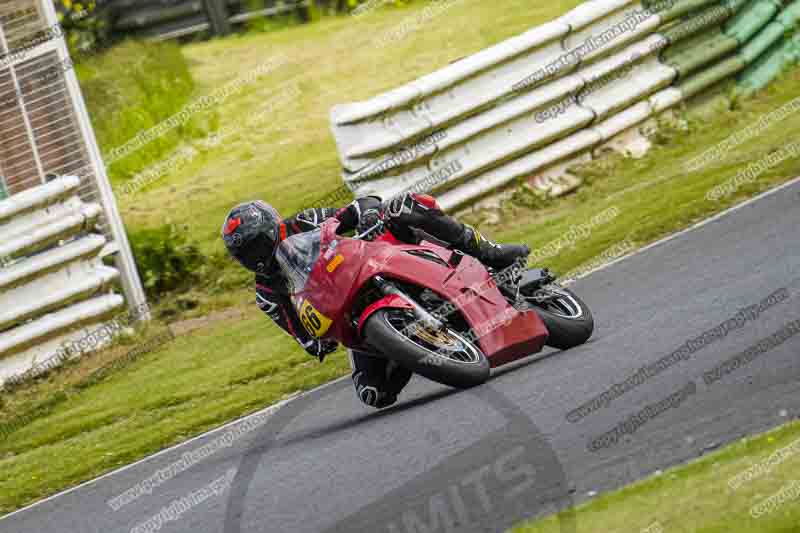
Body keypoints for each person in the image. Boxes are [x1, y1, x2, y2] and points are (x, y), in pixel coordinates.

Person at [221, 193, 529, 408]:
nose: (256, 256)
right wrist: (315, 342)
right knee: (374, 394)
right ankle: (419, 344)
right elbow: (297, 330)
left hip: (368, 262)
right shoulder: (266, 291)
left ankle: (493, 254)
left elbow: (360, 206)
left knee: (403, 207)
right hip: (346, 310)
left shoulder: (303, 222)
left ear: (273, 228)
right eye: (246, 254)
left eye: (258, 244)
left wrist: (367, 214)